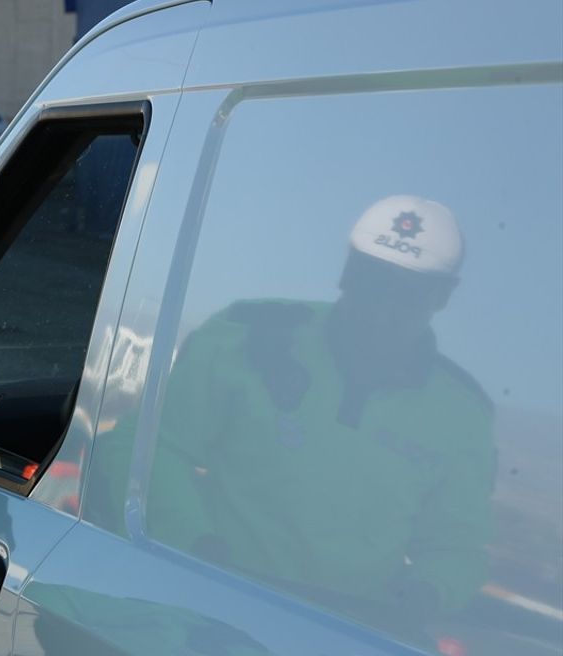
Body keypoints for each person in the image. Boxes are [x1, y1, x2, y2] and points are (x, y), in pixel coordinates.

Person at [146, 195, 495, 642]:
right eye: (370, 281)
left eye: (407, 294)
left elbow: (456, 546)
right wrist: (197, 549)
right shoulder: (248, 337)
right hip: (202, 613)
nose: (380, 309)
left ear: (442, 296)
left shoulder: (462, 414)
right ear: (347, 271)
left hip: (343, 635)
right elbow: (152, 447)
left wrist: (421, 597)